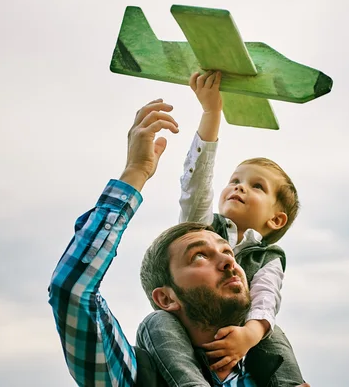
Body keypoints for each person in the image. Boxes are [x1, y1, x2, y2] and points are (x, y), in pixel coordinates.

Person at [48, 99, 310, 387]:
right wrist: (137, 171)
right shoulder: (138, 378)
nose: (228, 261)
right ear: (166, 298)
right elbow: (71, 288)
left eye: (227, 252)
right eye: (199, 256)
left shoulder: (267, 374)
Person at [136, 72, 305, 387]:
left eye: (256, 186)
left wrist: (248, 336)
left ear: (276, 219)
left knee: (271, 332)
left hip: (240, 334)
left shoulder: (268, 257)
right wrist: (211, 114)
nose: (239, 188)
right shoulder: (203, 228)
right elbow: (196, 185)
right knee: (157, 325)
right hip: (192, 330)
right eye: (235, 180)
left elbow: (266, 298)